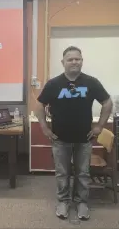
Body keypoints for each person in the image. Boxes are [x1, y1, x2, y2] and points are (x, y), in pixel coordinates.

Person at [35, 46, 113, 220]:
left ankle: (81, 202)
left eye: (77, 59)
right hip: (60, 139)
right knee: (62, 173)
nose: (74, 62)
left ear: (82, 61)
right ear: (63, 63)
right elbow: (39, 105)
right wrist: (44, 128)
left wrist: (99, 126)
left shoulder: (91, 82)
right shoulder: (54, 84)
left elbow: (107, 102)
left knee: (82, 173)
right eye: (70, 59)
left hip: (84, 138)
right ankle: (63, 201)